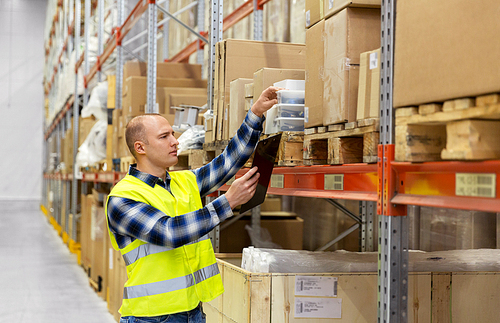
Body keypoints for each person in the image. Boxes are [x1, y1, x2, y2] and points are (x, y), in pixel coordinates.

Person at [106, 86, 280, 323]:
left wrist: (255, 114)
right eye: (164, 136)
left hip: (193, 312)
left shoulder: (185, 180)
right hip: (150, 317)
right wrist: (227, 202)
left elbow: (228, 161)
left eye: (172, 134)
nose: (175, 142)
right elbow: (169, 232)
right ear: (140, 148)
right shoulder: (123, 198)